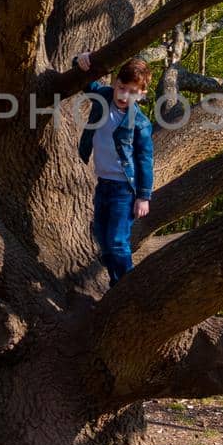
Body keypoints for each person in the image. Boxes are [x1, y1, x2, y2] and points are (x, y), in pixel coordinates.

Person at [74, 52, 153, 287]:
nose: (123, 95)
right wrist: (81, 60)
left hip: (124, 190)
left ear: (141, 95)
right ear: (114, 83)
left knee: (117, 241)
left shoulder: (141, 124)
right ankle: (116, 283)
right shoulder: (103, 97)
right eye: (121, 87)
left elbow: (145, 160)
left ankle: (129, 286)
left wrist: (143, 197)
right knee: (101, 236)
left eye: (131, 92)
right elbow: (84, 78)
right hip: (103, 185)